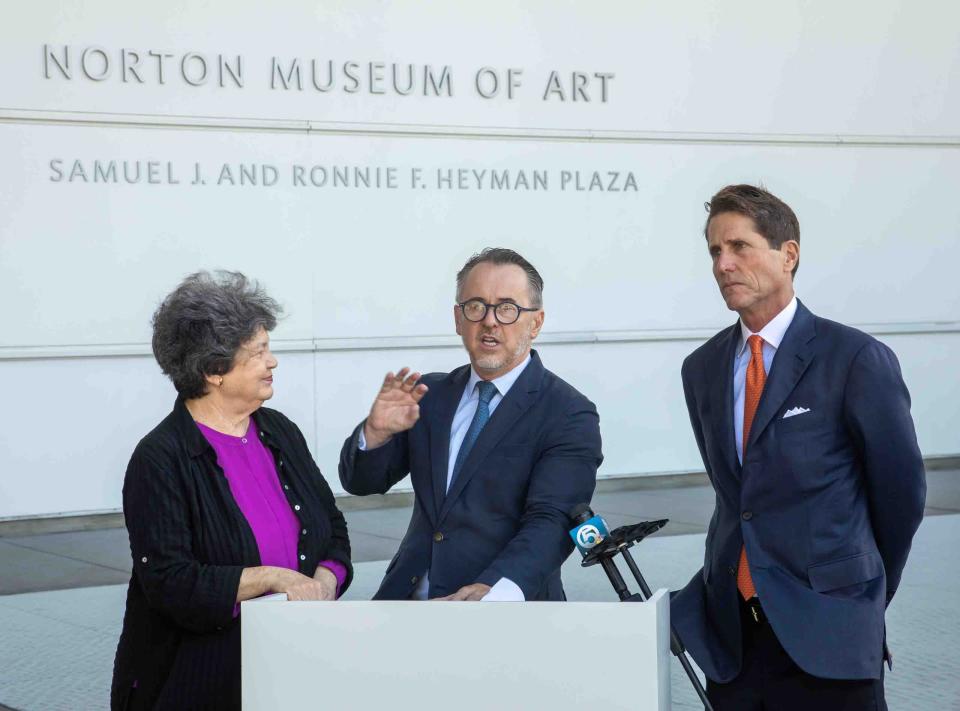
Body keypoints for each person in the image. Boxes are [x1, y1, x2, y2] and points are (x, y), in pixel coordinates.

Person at [671, 184, 926, 709]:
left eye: (739, 246)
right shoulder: (702, 369)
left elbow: (901, 497)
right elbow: (734, 497)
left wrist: (860, 594)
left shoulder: (854, 358)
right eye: (715, 251)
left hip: (829, 636)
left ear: (788, 254)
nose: (723, 264)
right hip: (735, 641)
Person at [111, 271, 352, 711]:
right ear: (214, 371)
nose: (272, 361)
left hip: (295, 670)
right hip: (197, 684)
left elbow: (332, 527)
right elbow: (170, 583)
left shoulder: (280, 431)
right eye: (259, 352)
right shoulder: (160, 459)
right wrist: (273, 579)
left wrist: (323, 582)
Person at [339, 248, 602, 601]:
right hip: (407, 604)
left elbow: (552, 520)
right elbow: (361, 483)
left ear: (536, 323)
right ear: (458, 319)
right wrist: (375, 435)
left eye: (507, 308)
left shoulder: (568, 412)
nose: (490, 321)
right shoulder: (428, 395)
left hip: (502, 610)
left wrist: (495, 589)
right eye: (476, 306)